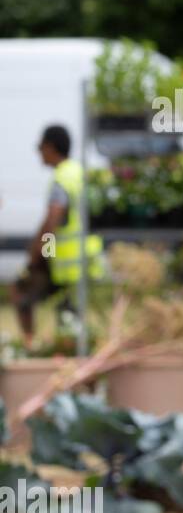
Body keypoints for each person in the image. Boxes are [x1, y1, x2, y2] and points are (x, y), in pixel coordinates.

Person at [15, 125, 104, 348]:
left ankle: (30, 347)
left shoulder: (62, 179)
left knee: (21, 293)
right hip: (82, 261)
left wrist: (41, 255)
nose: (38, 153)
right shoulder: (76, 172)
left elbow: (53, 219)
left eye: (40, 147)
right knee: (69, 321)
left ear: (50, 147)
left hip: (66, 265)